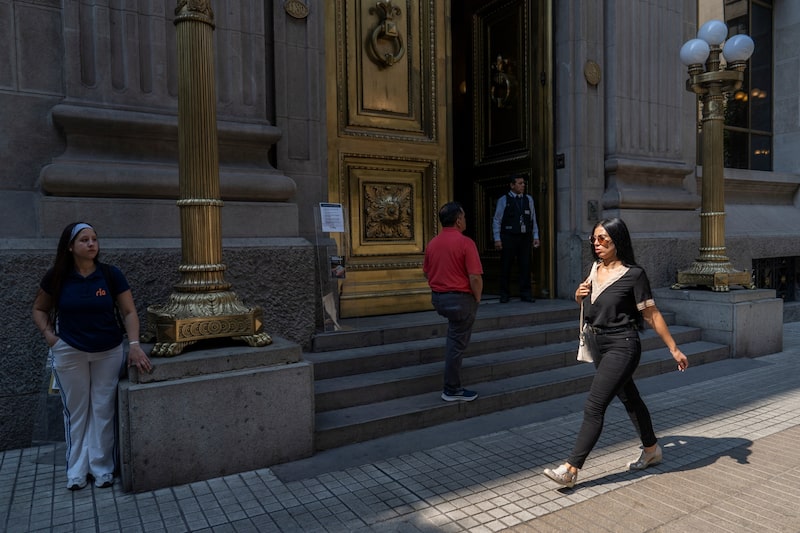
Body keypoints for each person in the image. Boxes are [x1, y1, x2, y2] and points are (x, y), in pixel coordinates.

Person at [543, 217, 689, 488]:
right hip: (598, 344)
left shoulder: (634, 274)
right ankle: (652, 449)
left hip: (623, 345)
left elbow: (651, 314)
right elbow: (592, 304)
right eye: (594, 239)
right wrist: (579, 295)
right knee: (630, 399)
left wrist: (674, 348)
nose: (597, 245)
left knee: (594, 405)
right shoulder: (594, 268)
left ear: (617, 241)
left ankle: (571, 468)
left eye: (603, 240)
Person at [32, 222, 152, 490]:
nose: (91, 244)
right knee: (76, 412)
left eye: (94, 239)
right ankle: (76, 471)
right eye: (84, 240)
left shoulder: (111, 275)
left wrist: (134, 344)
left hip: (107, 352)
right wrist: (50, 336)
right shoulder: (57, 277)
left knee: (102, 409)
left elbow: (129, 312)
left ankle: (101, 468)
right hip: (70, 352)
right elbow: (39, 309)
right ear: (70, 246)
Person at [423, 202, 484, 402]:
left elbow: (426, 272)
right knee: (456, 344)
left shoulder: (432, 243)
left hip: (439, 298)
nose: (465, 220)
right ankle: (452, 388)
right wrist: (477, 297)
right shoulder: (466, 243)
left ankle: (452, 386)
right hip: (461, 299)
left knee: (454, 338)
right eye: (464, 217)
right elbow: (475, 277)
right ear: (458, 220)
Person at [492, 175, 540, 303]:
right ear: (512, 185)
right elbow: (497, 220)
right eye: (519, 183)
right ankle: (504, 294)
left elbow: (533, 219)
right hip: (508, 236)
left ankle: (526, 293)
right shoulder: (504, 200)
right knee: (506, 265)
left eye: (523, 183)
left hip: (524, 237)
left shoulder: (528, 199)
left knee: (525, 265)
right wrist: (497, 239)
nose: (523, 185)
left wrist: (536, 236)